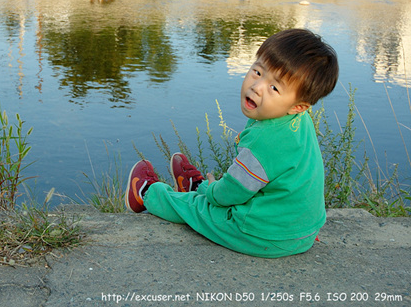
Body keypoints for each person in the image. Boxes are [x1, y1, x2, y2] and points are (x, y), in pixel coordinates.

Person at [125, 28, 339, 258]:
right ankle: (195, 188)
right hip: (302, 232)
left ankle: (147, 194)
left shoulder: (265, 140)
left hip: (264, 236)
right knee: (219, 195)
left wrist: (214, 194)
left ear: (298, 105)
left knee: (200, 210)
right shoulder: (298, 120)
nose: (257, 87)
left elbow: (234, 191)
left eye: (274, 88)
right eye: (257, 72)